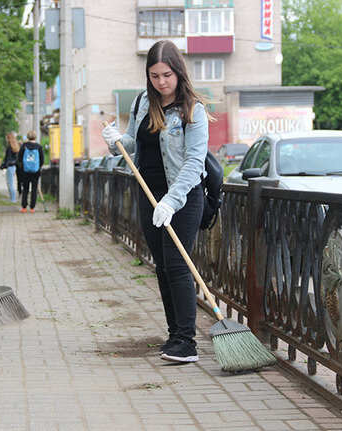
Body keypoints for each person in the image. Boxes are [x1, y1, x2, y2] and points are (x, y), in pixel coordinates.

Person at [101, 40, 210, 363]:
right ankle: (174, 334)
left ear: (178, 72)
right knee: (162, 267)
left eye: (166, 75)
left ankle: (188, 342)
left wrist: (171, 201)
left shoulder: (194, 110)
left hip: (182, 198)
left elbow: (194, 163)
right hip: (148, 195)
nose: (161, 82)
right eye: (154, 75)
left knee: (178, 265)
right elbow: (134, 144)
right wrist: (116, 140)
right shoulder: (141, 103)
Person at [17, 130, 44, 213]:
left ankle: (24, 207)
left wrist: (22, 167)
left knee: (25, 189)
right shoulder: (39, 147)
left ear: (28, 137)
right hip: (35, 172)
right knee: (34, 189)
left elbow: (19, 158)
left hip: (25, 171)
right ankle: (32, 208)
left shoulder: (24, 146)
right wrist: (38, 167)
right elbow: (42, 160)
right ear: (35, 137)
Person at [0, 132, 20, 203]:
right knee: (11, 183)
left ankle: (13, 199)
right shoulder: (16, 148)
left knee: (10, 183)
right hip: (13, 166)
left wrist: (4, 166)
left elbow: (7, 159)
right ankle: (13, 198)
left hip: (9, 167)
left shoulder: (9, 148)